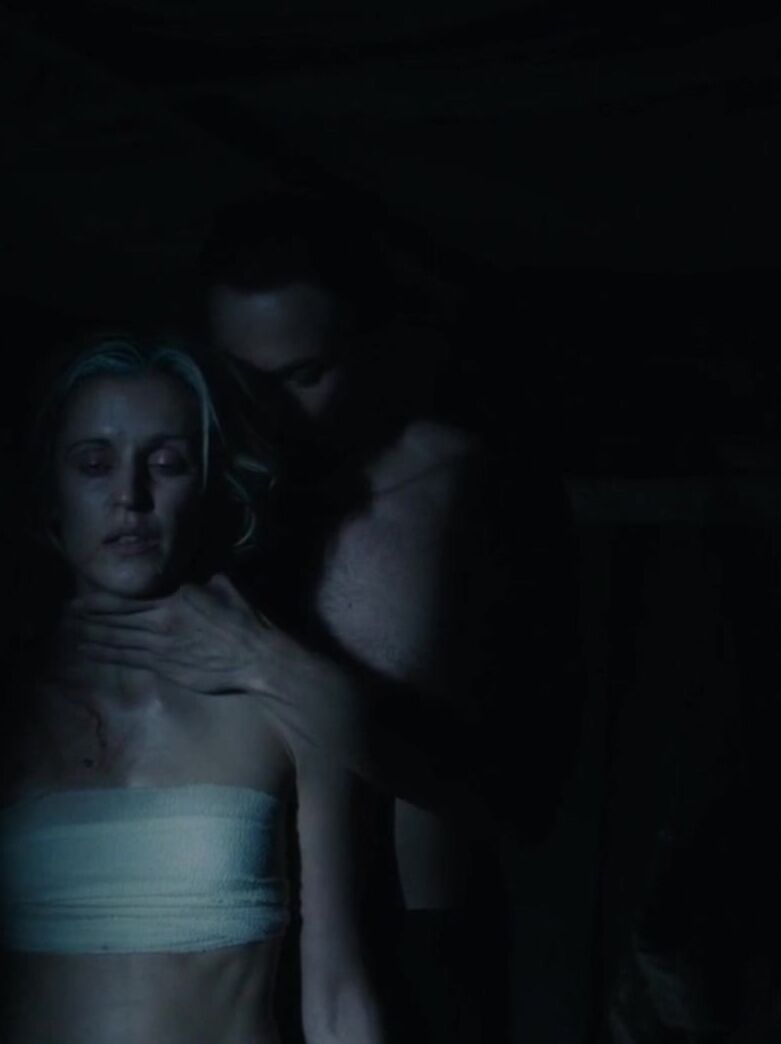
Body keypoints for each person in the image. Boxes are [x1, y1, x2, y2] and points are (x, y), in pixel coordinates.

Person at [70, 194, 582, 1041]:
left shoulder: (472, 497)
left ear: (372, 342)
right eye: (239, 378)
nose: (265, 411)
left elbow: (523, 800)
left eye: (304, 376)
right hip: (241, 950)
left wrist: (269, 663)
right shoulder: (190, 506)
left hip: (423, 953)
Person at [0, 335, 385, 1043]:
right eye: (94, 464)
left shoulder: (283, 700)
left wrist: (267, 663)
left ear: (209, 485)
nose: (130, 497)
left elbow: (338, 998)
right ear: (50, 490)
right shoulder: (13, 705)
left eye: (167, 463)